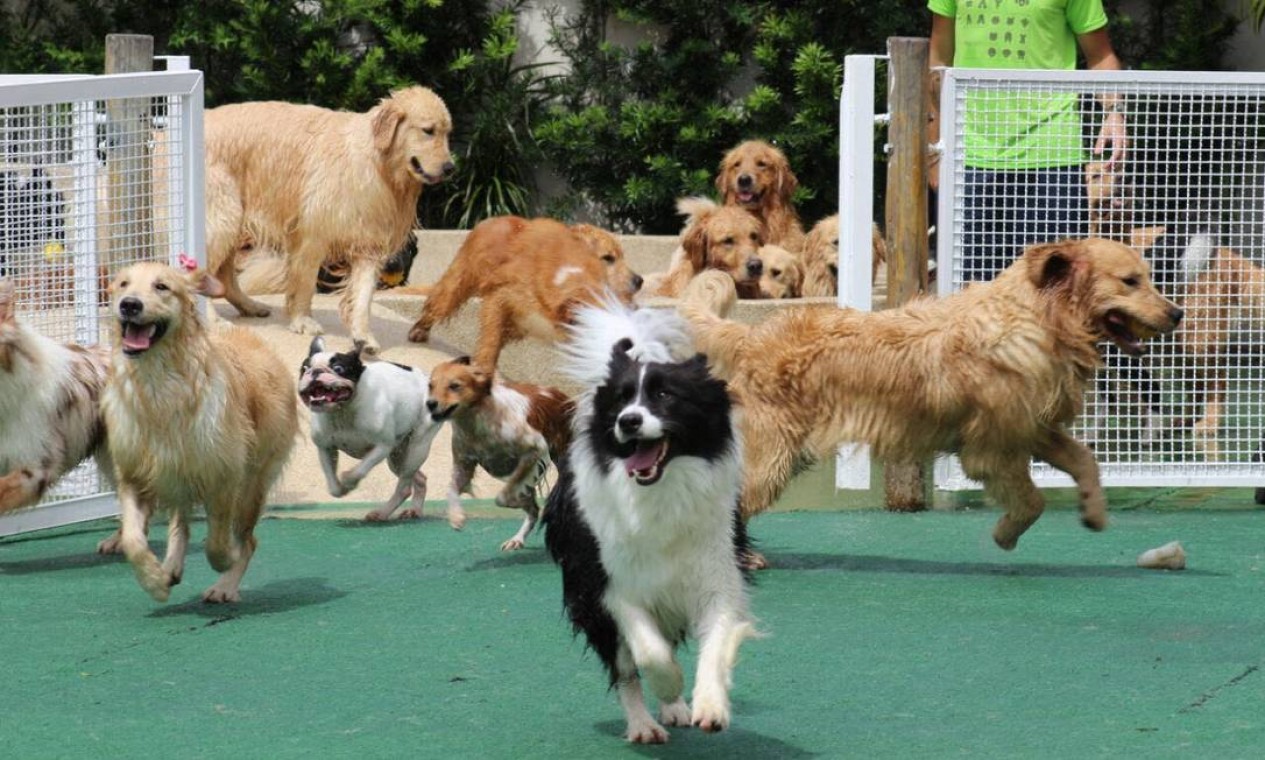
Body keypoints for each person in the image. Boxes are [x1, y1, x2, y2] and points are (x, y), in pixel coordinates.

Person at [927, 0, 1128, 281]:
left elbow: (1101, 57)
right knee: (974, 297)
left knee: (1060, 293)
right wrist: (933, 148)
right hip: (971, 153)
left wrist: (1114, 112)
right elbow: (938, 61)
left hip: (1052, 156)